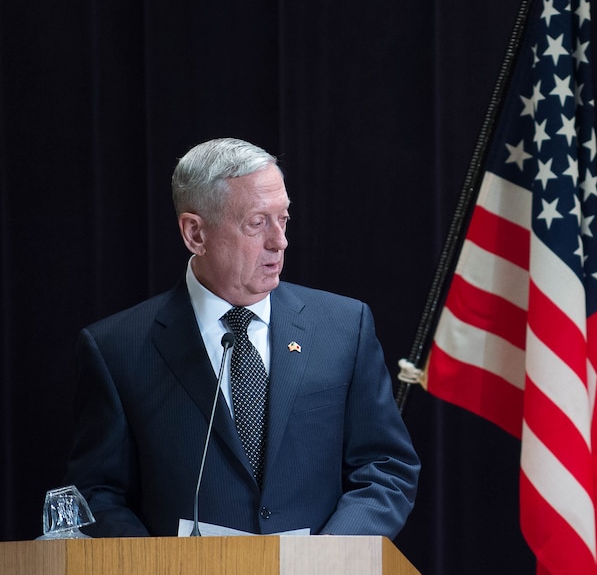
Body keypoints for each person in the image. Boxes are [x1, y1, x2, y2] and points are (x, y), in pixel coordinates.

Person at [64, 138, 420, 537]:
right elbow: (98, 492)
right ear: (195, 234)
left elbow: (386, 467)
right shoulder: (117, 348)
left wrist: (329, 560)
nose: (279, 241)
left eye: (283, 218)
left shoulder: (343, 326)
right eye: (256, 222)